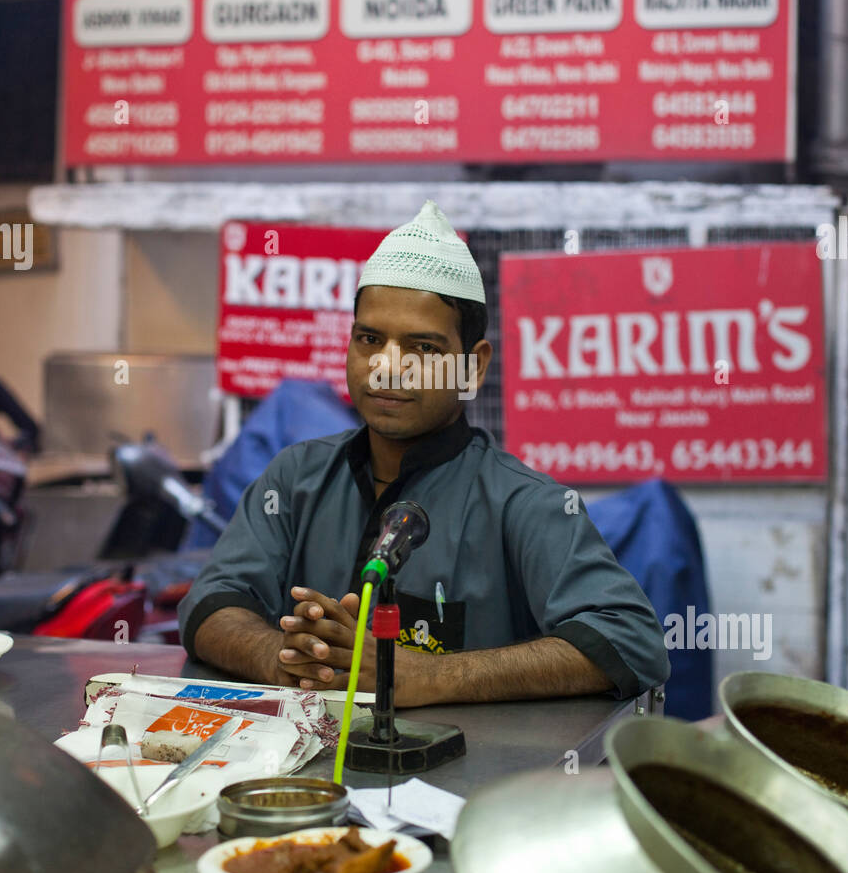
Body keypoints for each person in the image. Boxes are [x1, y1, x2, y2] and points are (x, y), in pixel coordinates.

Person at [178, 201, 668, 706]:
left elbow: (630, 639)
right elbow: (211, 604)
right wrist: (281, 656)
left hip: (468, 780)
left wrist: (423, 677)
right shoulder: (293, 479)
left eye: (424, 349)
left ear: (473, 367)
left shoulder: (524, 503)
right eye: (370, 339)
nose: (389, 368)